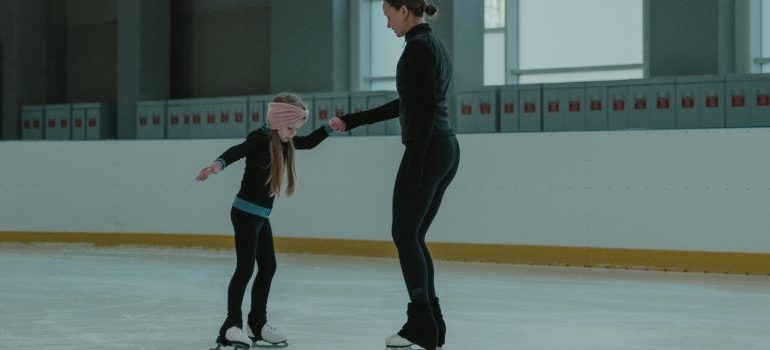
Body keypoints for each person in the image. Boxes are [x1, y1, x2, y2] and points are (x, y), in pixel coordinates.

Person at [328, 1, 458, 349]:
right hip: (444, 148)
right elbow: (408, 103)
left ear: (404, 10)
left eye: (387, 16)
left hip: (428, 149)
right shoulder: (431, 45)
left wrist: (415, 156)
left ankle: (422, 324)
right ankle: (432, 323)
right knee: (412, 236)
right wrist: (353, 120)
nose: (387, 25)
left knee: (404, 234)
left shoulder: (417, 49)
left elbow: (426, 106)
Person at [197, 92, 334, 349]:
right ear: (278, 121)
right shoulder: (259, 138)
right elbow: (237, 151)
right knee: (245, 268)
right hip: (245, 213)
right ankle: (231, 326)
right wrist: (218, 165)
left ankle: (257, 324)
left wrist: (329, 128)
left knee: (268, 267)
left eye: (296, 128)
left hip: (260, 216)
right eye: (291, 127)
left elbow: (308, 142)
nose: (294, 133)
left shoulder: (284, 140)